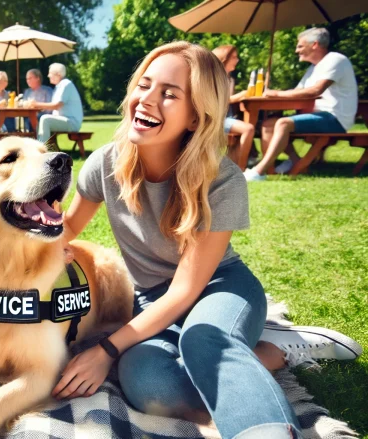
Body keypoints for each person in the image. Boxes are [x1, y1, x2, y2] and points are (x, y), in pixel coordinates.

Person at [49, 42, 362, 439]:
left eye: (169, 94)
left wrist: (105, 350)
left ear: (196, 117)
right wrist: (38, 237)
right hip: (150, 299)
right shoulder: (105, 164)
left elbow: (184, 290)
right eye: (144, 85)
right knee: (147, 384)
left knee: (203, 339)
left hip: (219, 288)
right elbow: (68, 226)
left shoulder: (222, 181)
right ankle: (271, 353)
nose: (146, 100)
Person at [245, 28, 358, 181]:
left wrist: (277, 94)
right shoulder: (313, 68)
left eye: (300, 46)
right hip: (315, 114)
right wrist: (272, 94)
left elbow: (315, 91)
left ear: (315, 44)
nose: (296, 50)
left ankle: (259, 171)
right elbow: (297, 92)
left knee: (284, 123)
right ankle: (291, 163)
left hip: (335, 118)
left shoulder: (335, 60)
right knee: (269, 124)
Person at [212, 45, 255, 170]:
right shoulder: (214, 77)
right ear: (224, 58)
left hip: (227, 118)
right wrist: (240, 95)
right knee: (248, 129)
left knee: (240, 135)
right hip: (216, 118)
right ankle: (241, 168)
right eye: (234, 57)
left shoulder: (229, 78)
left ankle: (233, 168)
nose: (237, 60)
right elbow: (220, 101)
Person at [27, 63, 83, 144]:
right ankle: (40, 145)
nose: (48, 75)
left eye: (50, 73)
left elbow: (57, 105)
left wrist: (36, 104)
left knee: (45, 119)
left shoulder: (65, 84)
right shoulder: (59, 86)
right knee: (39, 120)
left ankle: (42, 148)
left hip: (72, 122)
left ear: (58, 74)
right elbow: (54, 105)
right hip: (65, 120)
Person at [22, 68, 53, 132]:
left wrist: (37, 107)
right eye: (27, 79)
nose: (28, 81)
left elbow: (50, 108)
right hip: (29, 116)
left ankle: (35, 138)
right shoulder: (27, 92)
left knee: (32, 120)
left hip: (43, 117)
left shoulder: (47, 90)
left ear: (38, 78)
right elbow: (23, 105)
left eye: (30, 78)